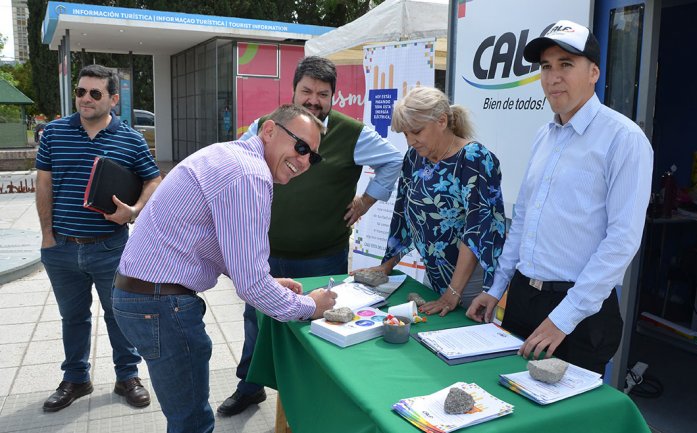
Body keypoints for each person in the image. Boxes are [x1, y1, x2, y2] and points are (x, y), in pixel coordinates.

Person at [112, 104, 338, 433]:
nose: (304, 160)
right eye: (300, 147)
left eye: (313, 157)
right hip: (160, 304)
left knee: (186, 418)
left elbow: (224, 248)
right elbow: (251, 287)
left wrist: (269, 282)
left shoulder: (232, 157)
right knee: (192, 423)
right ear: (270, 131)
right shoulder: (250, 173)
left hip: (145, 298)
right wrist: (311, 306)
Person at [465, 20, 654, 375]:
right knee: (514, 407)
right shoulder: (544, 136)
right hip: (524, 298)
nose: (553, 77)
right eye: (546, 67)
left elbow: (622, 241)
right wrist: (497, 288)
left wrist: (563, 318)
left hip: (580, 311)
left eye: (566, 64)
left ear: (594, 72)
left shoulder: (624, 140)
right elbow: (522, 220)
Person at [217, 56, 402, 416]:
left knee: (319, 326)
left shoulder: (352, 133)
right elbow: (238, 161)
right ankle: (250, 386)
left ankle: (316, 397)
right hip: (267, 253)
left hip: (322, 255)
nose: (314, 100)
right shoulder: (268, 126)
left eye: (323, 93)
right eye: (307, 91)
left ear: (334, 96)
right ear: (293, 91)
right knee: (257, 321)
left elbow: (393, 161)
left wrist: (365, 201)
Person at [35, 64, 161, 412]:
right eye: (80, 91)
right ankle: (76, 378)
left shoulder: (131, 138)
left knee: (118, 314)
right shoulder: (55, 134)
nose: (85, 99)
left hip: (110, 247)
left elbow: (153, 180)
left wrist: (134, 210)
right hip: (61, 248)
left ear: (113, 99)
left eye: (94, 93)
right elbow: (43, 183)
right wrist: (47, 237)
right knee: (73, 317)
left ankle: (127, 377)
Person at [353, 86, 507, 316]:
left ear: (442, 121)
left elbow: (477, 231)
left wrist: (452, 293)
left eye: (416, 131)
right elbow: (403, 213)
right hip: (434, 275)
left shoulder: (475, 159)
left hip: (469, 282)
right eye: (405, 134)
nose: (411, 141)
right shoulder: (415, 157)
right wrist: (387, 266)